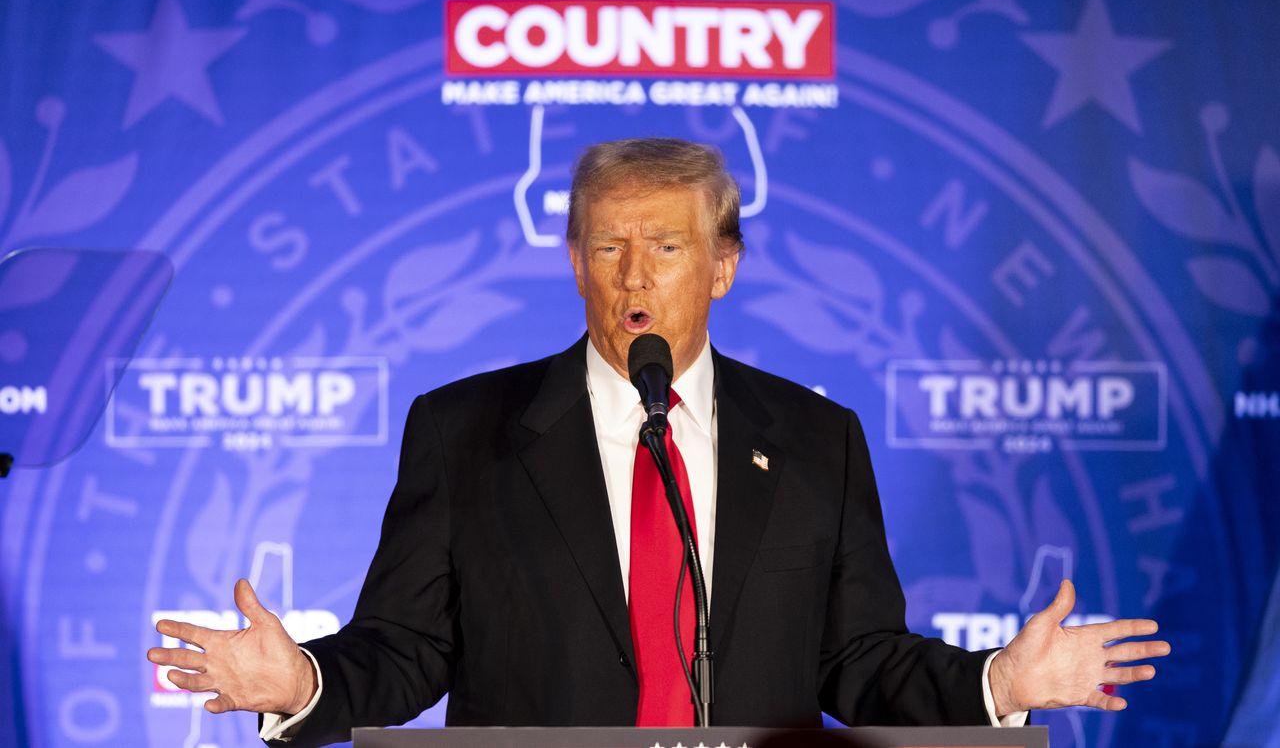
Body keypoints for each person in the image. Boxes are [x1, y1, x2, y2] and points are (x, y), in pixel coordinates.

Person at [149, 138, 1170, 746]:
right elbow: (409, 650)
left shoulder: (819, 441)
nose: (633, 279)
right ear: (575, 261)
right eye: (607, 247)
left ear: (721, 265)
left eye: (667, 248)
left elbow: (856, 663)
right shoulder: (464, 431)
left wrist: (998, 684)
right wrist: (303, 685)